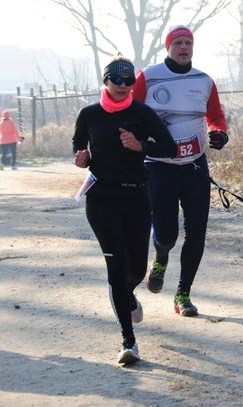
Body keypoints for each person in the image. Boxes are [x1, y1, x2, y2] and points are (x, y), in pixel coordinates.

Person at [72, 55, 176, 364]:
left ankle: (124, 292)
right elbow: (80, 148)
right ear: (105, 81)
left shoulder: (142, 113)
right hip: (101, 200)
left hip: (137, 198)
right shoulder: (89, 114)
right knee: (117, 270)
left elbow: (169, 147)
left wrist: (141, 146)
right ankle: (129, 342)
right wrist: (81, 159)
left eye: (128, 80)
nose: (122, 85)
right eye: (116, 79)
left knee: (137, 271)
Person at [133, 25, 229, 317]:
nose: (184, 47)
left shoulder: (204, 81)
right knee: (167, 234)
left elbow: (215, 116)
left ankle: (183, 295)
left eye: (188, 42)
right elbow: (132, 112)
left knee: (197, 233)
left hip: (195, 167)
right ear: (168, 47)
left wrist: (219, 133)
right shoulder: (148, 77)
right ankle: (161, 257)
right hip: (159, 168)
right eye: (178, 43)